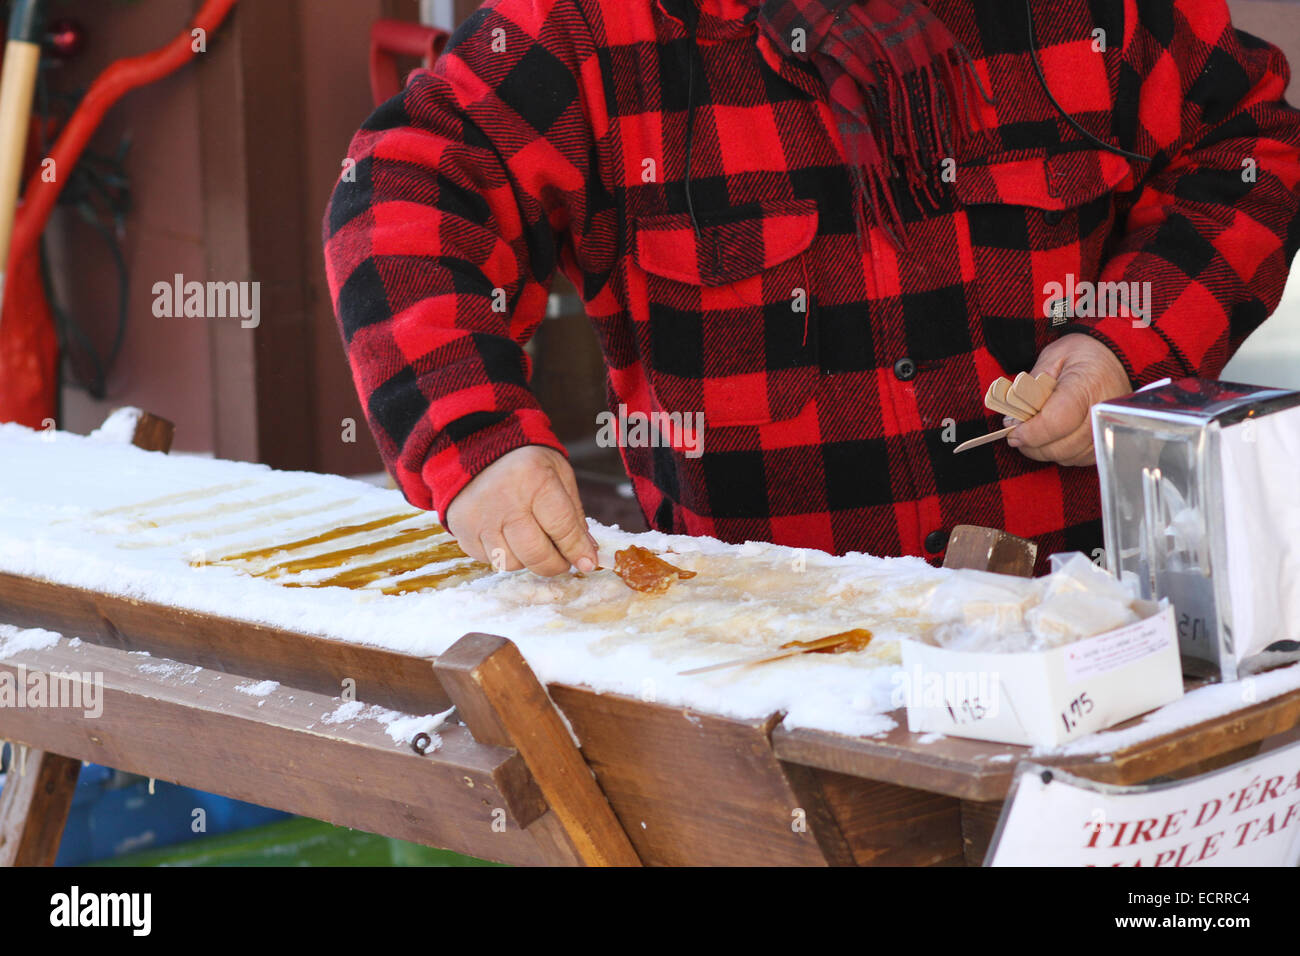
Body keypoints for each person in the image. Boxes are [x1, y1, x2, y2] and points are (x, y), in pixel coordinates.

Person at [324, 0, 1300, 576]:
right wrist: (478, 444)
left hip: (1085, 646)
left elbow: (1247, 146)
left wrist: (1127, 343)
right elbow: (407, 191)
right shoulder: (594, 30)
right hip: (764, 681)